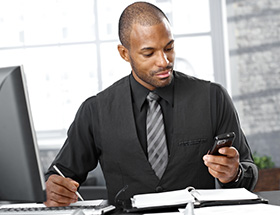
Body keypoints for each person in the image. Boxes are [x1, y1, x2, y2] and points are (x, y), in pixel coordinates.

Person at [44, 1, 258, 207]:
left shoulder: (213, 98)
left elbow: (248, 173)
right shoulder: (95, 111)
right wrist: (55, 188)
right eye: (149, 53)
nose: (164, 61)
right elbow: (60, 175)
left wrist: (235, 172)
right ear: (124, 53)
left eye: (169, 48)